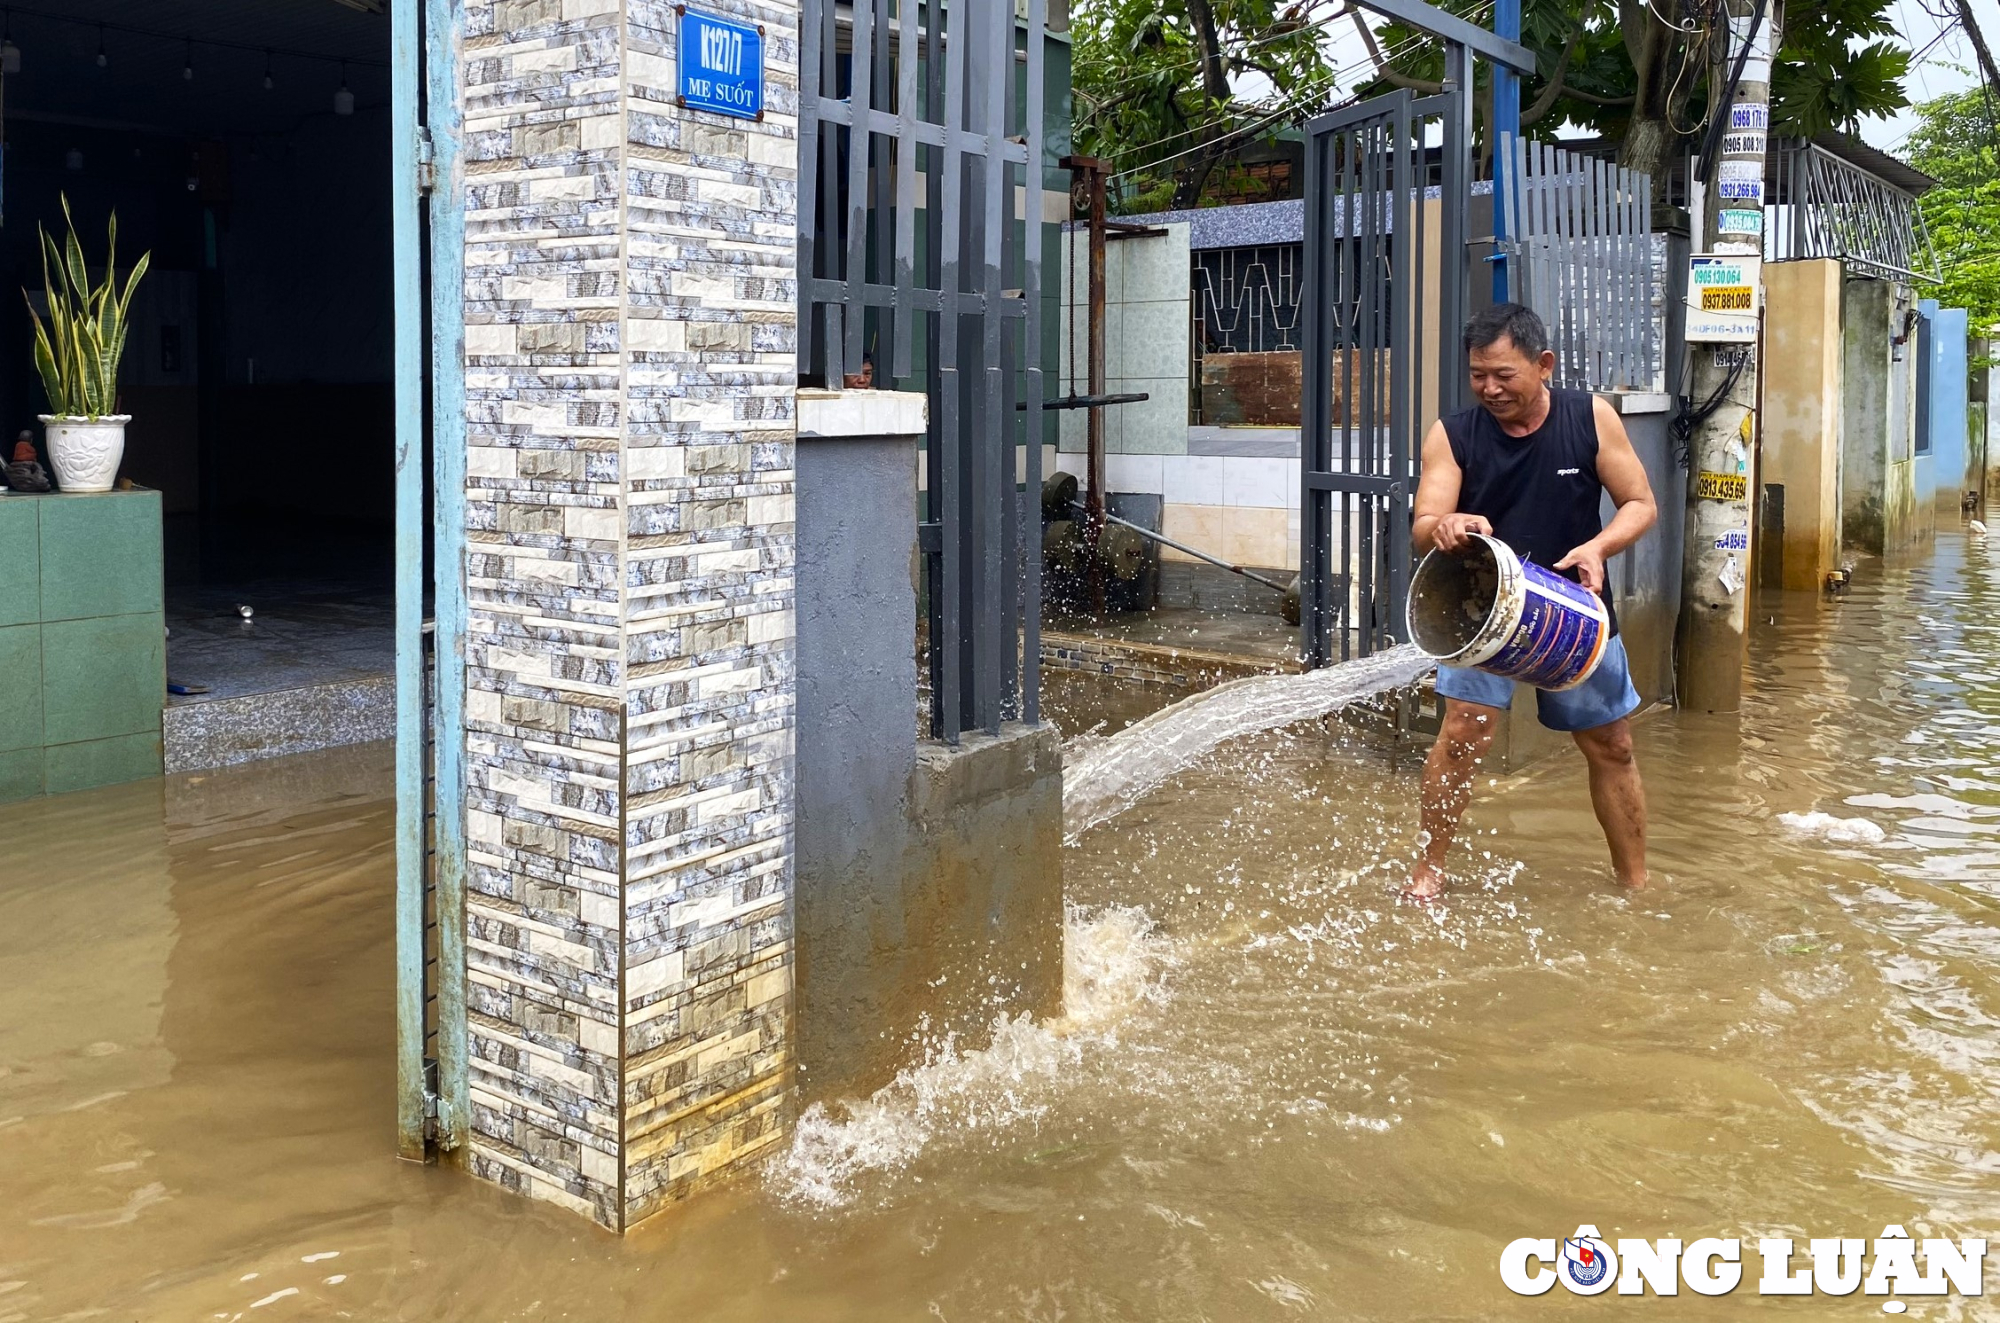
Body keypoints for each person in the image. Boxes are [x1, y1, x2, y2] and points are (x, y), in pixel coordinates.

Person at [1406, 304, 1658, 900]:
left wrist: (1598, 548)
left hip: (1574, 610)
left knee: (1613, 745)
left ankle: (1637, 884)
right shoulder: (1454, 434)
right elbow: (1423, 524)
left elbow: (1641, 503)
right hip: (1480, 613)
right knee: (1464, 733)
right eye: (1477, 376)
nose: (1489, 389)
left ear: (1543, 365)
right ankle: (1429, 869)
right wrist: (1448, 524)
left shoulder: (1590, 417)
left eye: (1504, 375)